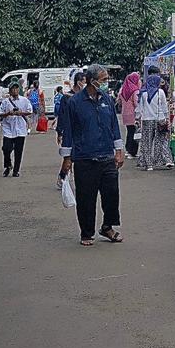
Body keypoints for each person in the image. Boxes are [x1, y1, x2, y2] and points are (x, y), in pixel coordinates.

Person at [59, 65, 125, 246]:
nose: (106, 83)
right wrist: (67, 158)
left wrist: (119, 151)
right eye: (103, 80)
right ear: (92, 80)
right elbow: (69, 131)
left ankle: (107, 227)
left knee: (112, 195)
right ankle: (86, 233)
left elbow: (114, 126)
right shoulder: (75, 103)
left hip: (106, 156)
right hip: (84, 157)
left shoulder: (107, 100)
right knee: (86, 198)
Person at [136, 72, 173, 171]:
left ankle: (148, 164)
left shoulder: (143, 93)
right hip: (159, 119)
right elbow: (164, 107)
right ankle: (158, 161)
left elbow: (139, 108)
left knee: (146, 142)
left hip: (147, 119)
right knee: (160, 141)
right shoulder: (160, 92)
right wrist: (166, 118)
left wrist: (138, 118)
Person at [0, 82, 32, 177]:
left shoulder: (24, 100)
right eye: (13, 88)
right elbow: (0, 113)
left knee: (18, 151)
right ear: (10, 90)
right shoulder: (5, 102)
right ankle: (8, 165)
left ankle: (16, 170)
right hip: (8, 128)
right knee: (6, 148)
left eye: (17, 88)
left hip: (20, 129)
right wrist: (9, 113)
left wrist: (21, 113)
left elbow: (29, 111)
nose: (15, 90)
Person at [119, 72, 141, 159]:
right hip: (133, 115)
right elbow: (136, 103)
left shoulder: (123, 89)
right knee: (134, 133)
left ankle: (128, 150)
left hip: (125, 114)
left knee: (129, 132)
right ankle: (132, 152)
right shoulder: (135, 90)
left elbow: (119, 101)